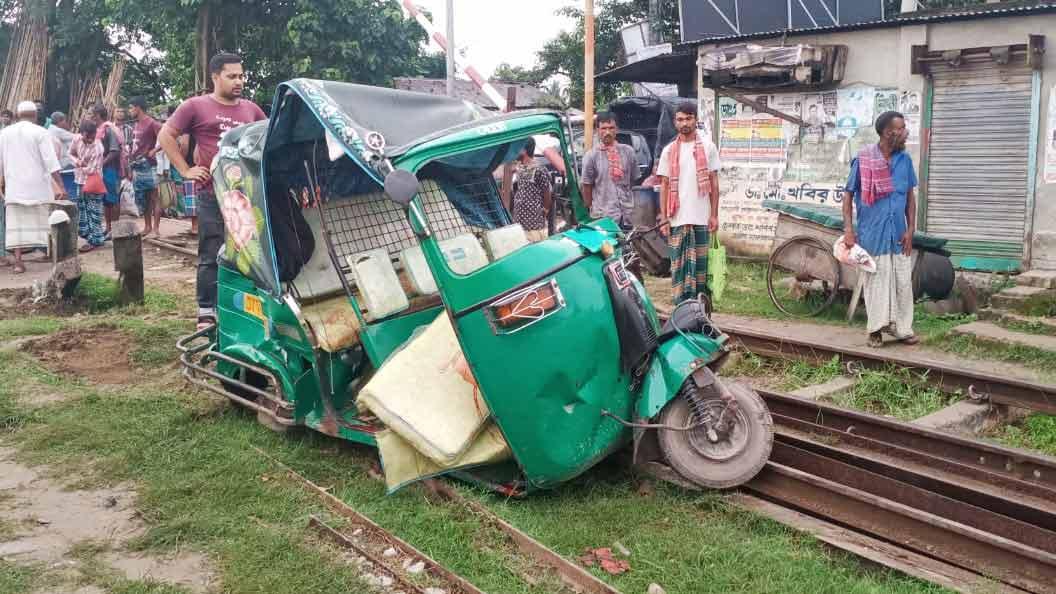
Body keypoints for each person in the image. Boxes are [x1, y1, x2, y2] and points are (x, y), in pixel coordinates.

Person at [160, 52, 266, 330]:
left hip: (246, 196)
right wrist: (185, 170)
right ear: (215, 77)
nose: (239, 81)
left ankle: (244, 304)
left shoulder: (252, 110)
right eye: (232, 76)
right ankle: (207, 310)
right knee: (211, 251)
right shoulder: (195, 106)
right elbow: (165, 135)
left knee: (249, 250)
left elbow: (266, 142)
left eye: (241, 76)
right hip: (212, 193)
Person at [842, 111, 919, 348]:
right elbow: (847, 196)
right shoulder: (863, 160)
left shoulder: (905, 161)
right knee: (876, 282)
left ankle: (902, 329)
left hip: (898, 232)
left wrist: (911, 229)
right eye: (901, 128)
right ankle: (875, 330)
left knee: (903, 283)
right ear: (888, 132)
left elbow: (910, 198)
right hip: (872, 232)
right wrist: (848, 229)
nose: (905, 132)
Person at [657, 101, 722, 305]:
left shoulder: (708, 147)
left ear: (696, 119)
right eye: (680, 119)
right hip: (677, 219)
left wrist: (714, 215)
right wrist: (664, 219)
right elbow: (665, 185)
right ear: (675, 122)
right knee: (679, 268)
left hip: (701, 217)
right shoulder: (668, 151)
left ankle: (700, 310)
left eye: (688, 118)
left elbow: (714, 183)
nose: (684, 123)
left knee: (700, 270)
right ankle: (681, 309)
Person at [0, 101, 66, 273]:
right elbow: (51, 162)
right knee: (48, 222)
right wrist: (60, 184)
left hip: (14, 186)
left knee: (16, 225)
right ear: (35, 115)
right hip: (39, 187)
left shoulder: (4, 133)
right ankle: (53, 258)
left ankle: (18, 262)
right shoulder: (41, 132)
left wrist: (1, 182)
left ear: (17, 115)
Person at [580, 112, 636, 228]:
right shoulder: (591, 156)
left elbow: (633, 181)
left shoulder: (628, 152)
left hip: (628, 215)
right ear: (597, 130)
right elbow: (587, 187)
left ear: (617, 129)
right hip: (604, 217)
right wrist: (594, 210)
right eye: (604, 128)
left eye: (611, 128)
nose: (607, 132)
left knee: (629, 245)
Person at [128, 97, 163, 236]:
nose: (129, 111)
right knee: (144, 198)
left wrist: (155, 150)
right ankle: (147, 227)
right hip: (137, 165)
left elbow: (168, 136)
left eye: (131, 108)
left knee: (155, 197)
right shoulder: (136, 124)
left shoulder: (152, 123)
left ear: (138, 108)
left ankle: (156, 228)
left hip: (149, 165)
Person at [69, 120, 106, 251]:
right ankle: (88, 236)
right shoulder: (76, 139)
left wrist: (81, 166)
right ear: (82, 134)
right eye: (87, 136)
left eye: (92, 136)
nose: (90, 139)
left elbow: (93, 169)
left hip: (93, 181)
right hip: (79, 180)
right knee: (82, 209)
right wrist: (77, 161)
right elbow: (70, 153)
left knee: (94, 210)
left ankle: (96, 240)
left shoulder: (98, 147)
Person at [90, 104, 124, 236]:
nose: (91, 116)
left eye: (93, 114)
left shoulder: (108, 130)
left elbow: (114, 151)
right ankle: (109, 228)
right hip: (102, 170)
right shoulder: (99, 130)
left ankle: (115, 229)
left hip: (110, 169)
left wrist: (101, 163)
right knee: (105, 200)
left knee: (113, 199)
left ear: (98, 115)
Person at [511, 137, 552, 243]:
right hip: (520, 223)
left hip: (534, 225)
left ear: (524, 150)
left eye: (517, 148)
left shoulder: (539, 169)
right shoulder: (520, 166)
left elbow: (547, 191)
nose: (515, 152)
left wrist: (545, 210)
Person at [48, 112, 79, 200]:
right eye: (65, 121)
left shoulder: (51, 129)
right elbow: (75, 137)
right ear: (60, 121)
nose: (66, 123)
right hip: (63, 165)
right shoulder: (57, 130)